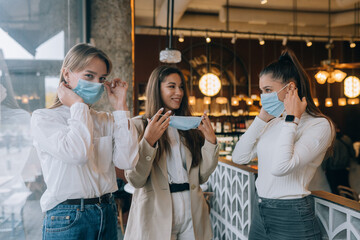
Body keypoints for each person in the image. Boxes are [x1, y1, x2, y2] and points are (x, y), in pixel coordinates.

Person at [31, 43, 139, 239]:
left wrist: (121, 108)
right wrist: (78, 106)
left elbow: (127, 162)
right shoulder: (44, 118)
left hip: (106, 211)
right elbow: (77, 154)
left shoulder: (104, 119)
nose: (97, 84)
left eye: (102, 78)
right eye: (89, 76)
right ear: (66, 74)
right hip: (67, 217)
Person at [232, 49, 334, 240]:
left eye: (268, 90)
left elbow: (281, 167)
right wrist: (262, 118)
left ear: (290, 88)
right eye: (261, 91)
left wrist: (292, 119)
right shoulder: (274, 122)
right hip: (260, 209)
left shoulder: (318, 125)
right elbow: (239, 157)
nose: (263, 97)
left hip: (291, 215)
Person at [124, 66, 219, 240]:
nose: (179, 92)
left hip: (192, 209)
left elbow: (202, 176)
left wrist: (211, 142)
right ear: (156, 89)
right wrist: (148, 142)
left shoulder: (189, 127)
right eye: (171, 86)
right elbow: (135, 180)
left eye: (181, 87)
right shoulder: (138, 126)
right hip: (156, 212)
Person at [322, 126, 355, 194]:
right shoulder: (346, 139)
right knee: (345, 186)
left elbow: (326, 156)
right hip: (344, 168)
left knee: (334, 189)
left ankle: (337, 203)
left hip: (332, 169)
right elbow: (353, 153)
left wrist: (324, 168)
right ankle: (348, 202)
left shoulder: (329, 141)